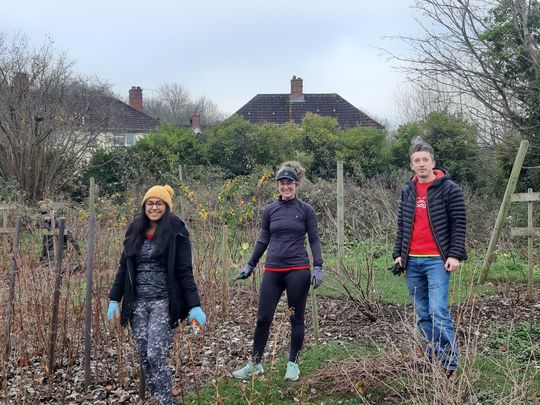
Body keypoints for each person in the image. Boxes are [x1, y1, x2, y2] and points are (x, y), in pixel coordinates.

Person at [107, 185, 206, 404]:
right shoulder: (135, 230)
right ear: (144, 206)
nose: (154, 207)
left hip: (163, 302)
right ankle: (158, 398)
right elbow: (124, 267)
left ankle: (166, 402)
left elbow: (184, 271)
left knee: (155, 355)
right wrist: (115, 298)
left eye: (159, 203)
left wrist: (194, 305)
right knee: (145, 357)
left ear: (166, 207)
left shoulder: (176, 231)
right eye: (150, 203)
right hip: (137, 304)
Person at [232, 161, 323, 382]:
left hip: (298, 270)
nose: (285, 187)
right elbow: (263, 239)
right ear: (277, 186)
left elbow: (314, 239)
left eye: (289, 183)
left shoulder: (306, 210)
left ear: (296, 184)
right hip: (273, 270)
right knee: (263, 318)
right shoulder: (270, 210)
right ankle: (255, 363)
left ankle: (293, 364)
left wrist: (318, 265)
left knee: (296, 318)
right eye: (282, 183)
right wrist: (250, 264)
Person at [393, 142, 467, 377]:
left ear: (433, 163)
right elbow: (402, 224)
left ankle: (449, 364)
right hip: (412, 261)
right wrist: (398, 254)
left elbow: (459, 224)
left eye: (425, 160)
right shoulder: (408, 190)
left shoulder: (449, 189)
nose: (421, 164)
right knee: (423, 312)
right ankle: (433, 355)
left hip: (437, 260)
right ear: (411, 165)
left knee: (438, 310)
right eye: (417, 161)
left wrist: (454, 255)